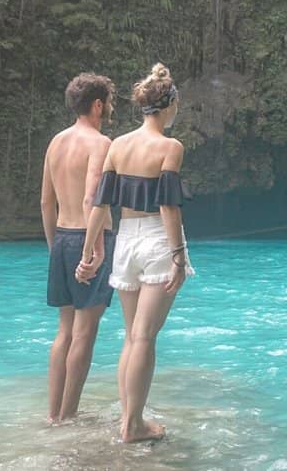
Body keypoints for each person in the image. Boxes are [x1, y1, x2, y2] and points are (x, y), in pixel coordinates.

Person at [77, 63, 194, 443]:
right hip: (159, 239)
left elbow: (100, 205)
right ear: (170, 104)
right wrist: (178, 253)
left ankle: (129, 418)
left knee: (131, 336)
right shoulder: (170, 147)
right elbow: (168, 206)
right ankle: (133, 426)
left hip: (125, 239)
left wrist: (89, 252)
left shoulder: (117, 145)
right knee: (145, 337)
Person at [41, 73, 115, 423]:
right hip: (89, 237)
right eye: (108, 103)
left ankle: (53, 413)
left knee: (64, 331)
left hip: (61, 236)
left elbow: (45, 202)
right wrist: (93, 251)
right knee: (85, 332)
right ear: (97, 104)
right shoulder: (100, 143)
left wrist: (54, 246)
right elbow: (92, 200)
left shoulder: (56, 142)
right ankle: (68, 416)